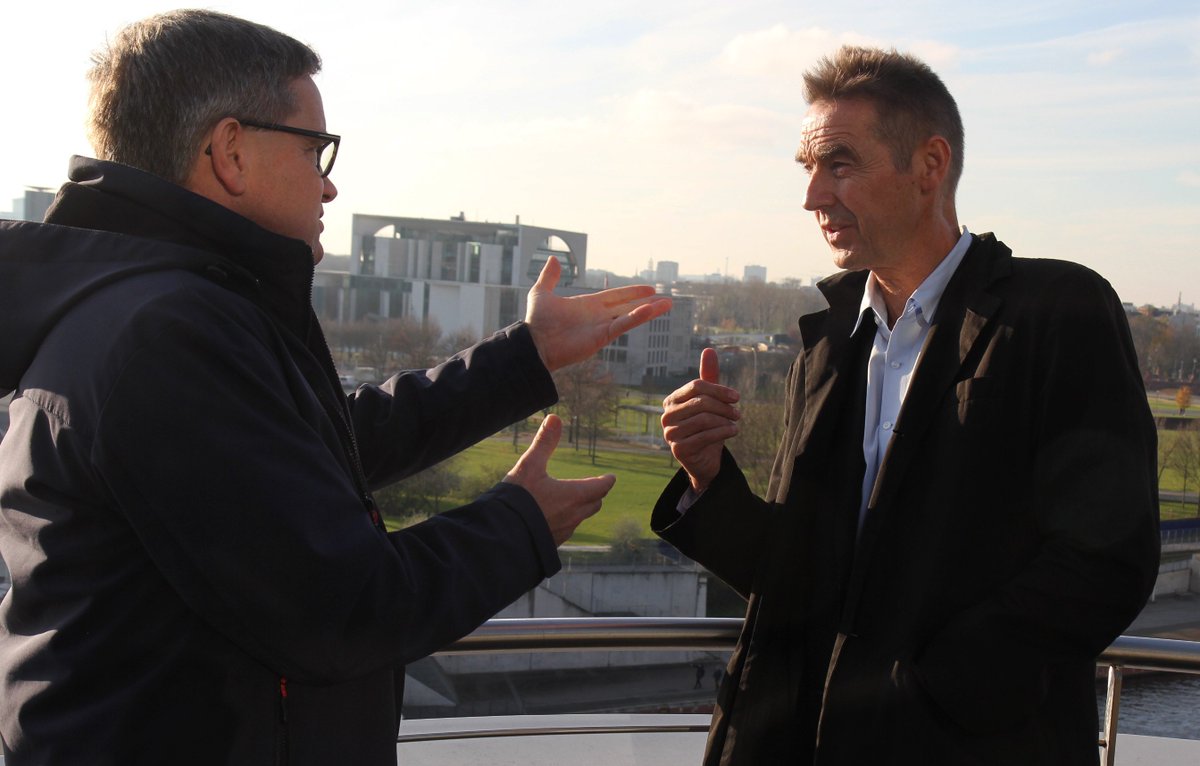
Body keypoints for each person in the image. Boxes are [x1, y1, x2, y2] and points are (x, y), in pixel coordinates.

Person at [0, 10, 670, 765]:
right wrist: (521, 525)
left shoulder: (162, 306)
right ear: (230, 152)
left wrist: (527, 356)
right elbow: (341, 607)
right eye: (314, 148)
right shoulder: (166, 333)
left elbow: (306, 454)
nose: (329, 184)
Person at [654, 45, 1159, 765]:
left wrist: (927, 692)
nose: (813, 197)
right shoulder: (828, 347)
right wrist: (707, 478)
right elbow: (797, 580)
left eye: (840, 164)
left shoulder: (1057, 312)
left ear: (929, 165)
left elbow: (1107, 561)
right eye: (808, 168)